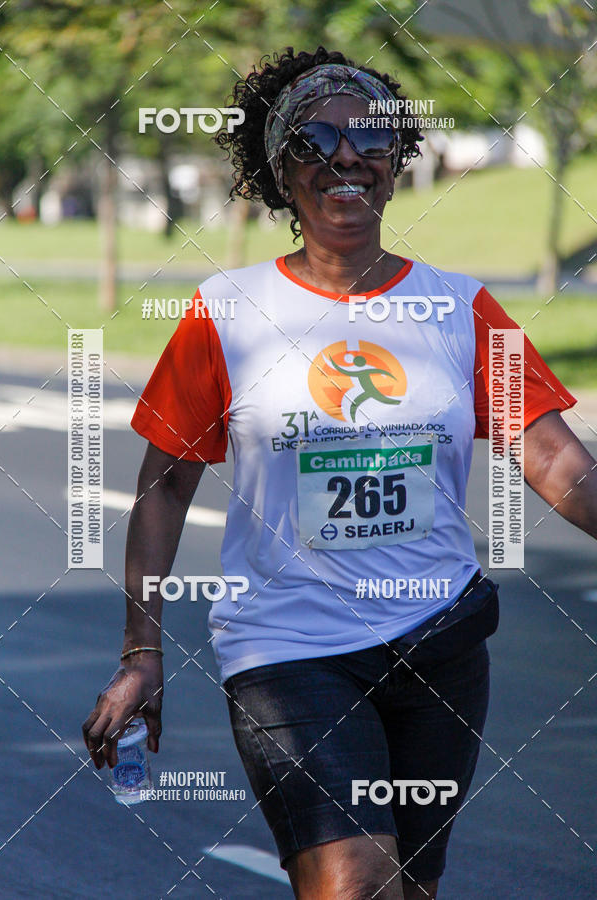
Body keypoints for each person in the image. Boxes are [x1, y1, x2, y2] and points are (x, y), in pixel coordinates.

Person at [82, 46, 597, 899]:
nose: (346, 157)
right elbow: (164, 487)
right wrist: (142, 649)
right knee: (353, 883)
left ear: (398, 166)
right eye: (315, 141)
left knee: (409, 887)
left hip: (441, 640)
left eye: (371, 141)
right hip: (288, 649)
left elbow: (556, 461)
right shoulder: (225, 315)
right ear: (281, 173)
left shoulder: (463, 308)